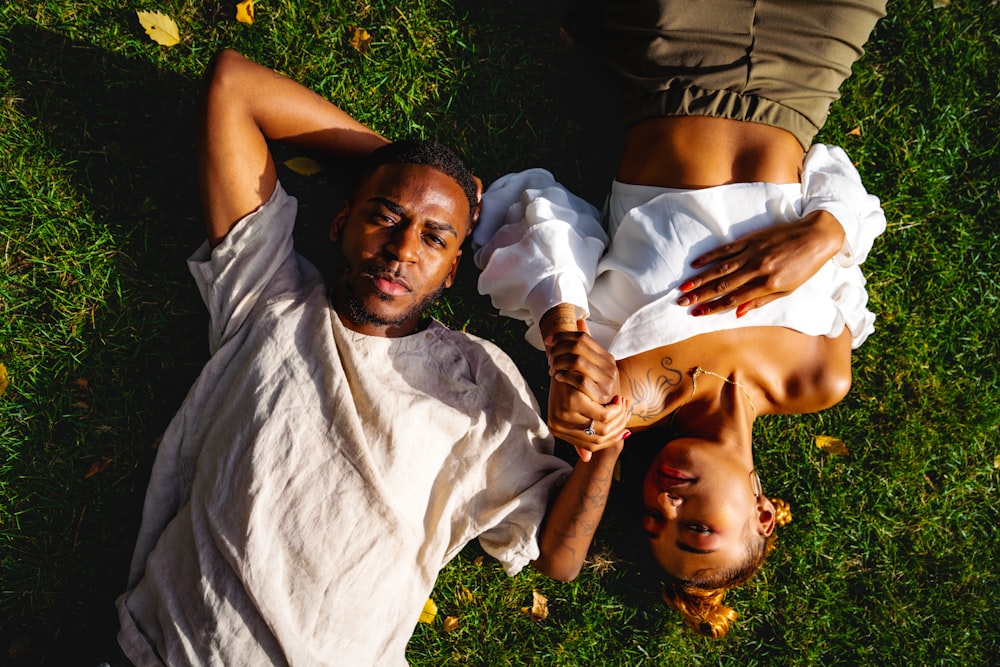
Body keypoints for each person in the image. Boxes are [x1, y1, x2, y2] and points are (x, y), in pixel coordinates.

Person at [115, 49, 623, 665]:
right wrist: (434, 182)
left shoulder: (479, 380)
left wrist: (605, 445)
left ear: (452, 270)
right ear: (340, 222)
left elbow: (557, 557)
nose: (404, 248)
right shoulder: (269, 299)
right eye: (385, 217)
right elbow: (233, 86)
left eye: (435, 238)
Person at [474, 0, 887, 637]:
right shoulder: (820, 376)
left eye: (651, 522)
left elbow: (531, 207)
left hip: (668, 52)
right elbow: (835, 173)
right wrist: (824, 234)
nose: (665, 504)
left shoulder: (625, 392)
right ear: (762, 514)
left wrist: (563, 336)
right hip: (804, 68)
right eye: (695, 526)